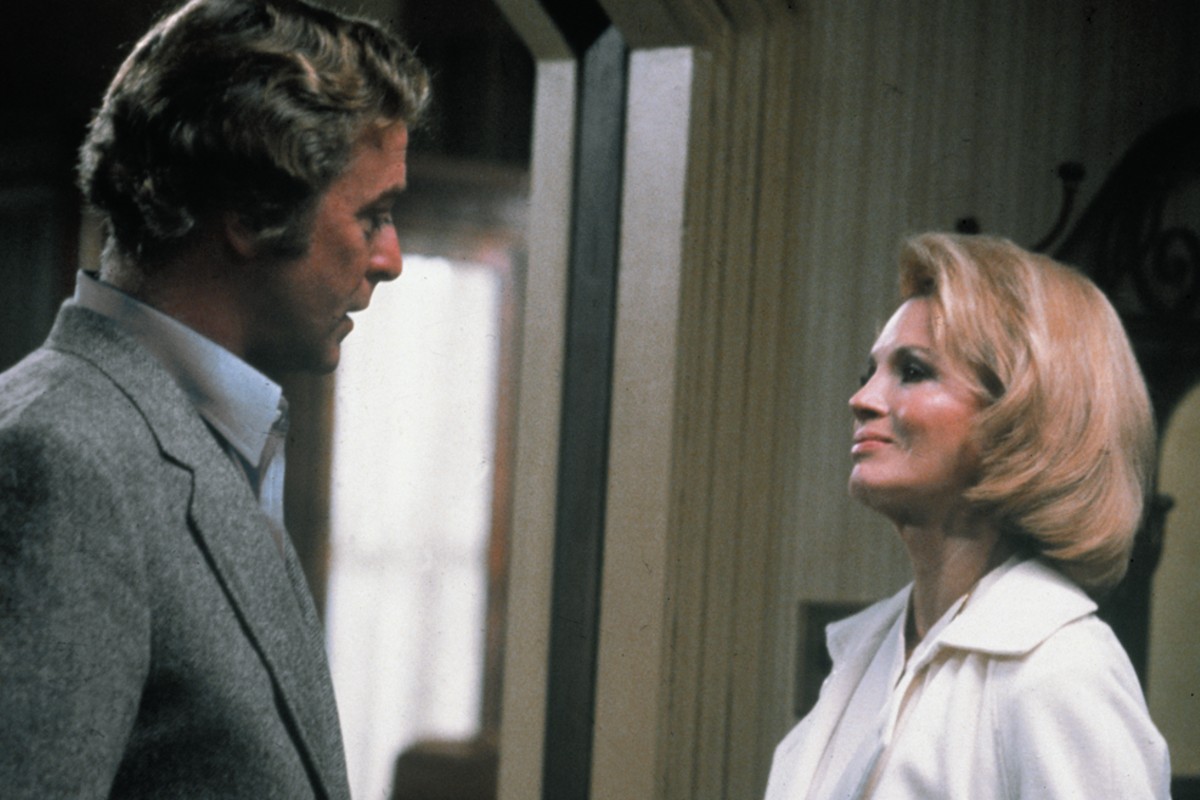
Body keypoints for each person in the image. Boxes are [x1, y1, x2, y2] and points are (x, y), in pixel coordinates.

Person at [0, 0, 428, 797]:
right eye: (372, 215)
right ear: (250, 212)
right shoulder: (60, 459)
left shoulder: (211, 435)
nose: (391, 258)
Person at [764, 233, 1171, 799]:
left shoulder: (1061, 668)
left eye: (912, 371)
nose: (862, 399)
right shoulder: (869, 654)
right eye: (868, 373)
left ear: (1021, 415)